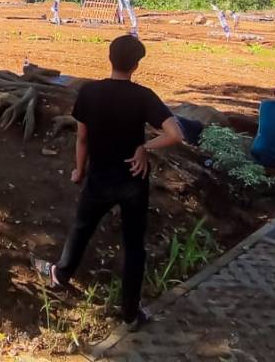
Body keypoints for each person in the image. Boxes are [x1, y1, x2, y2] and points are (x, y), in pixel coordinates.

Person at [40, 35, 183, 332]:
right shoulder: (143, 96)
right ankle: (130, 313)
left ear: (109, 57)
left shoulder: (89, 92)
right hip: (133, 181)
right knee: (134, 247)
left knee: (81, 229)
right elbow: (175, 134)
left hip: (99, 178)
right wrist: (145, 147)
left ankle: (60, 275)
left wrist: (79, 171)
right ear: (137, 65)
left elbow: (82, 139)